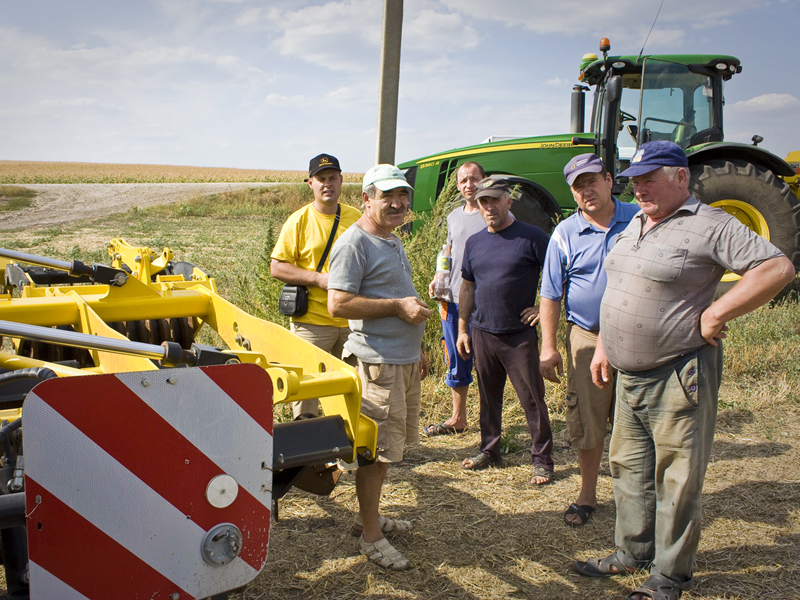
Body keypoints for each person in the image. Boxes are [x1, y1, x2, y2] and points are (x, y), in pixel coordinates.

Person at [574, 141, 794, 600]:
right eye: (635, 178)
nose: (640, 185)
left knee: (676, 475)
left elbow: (776, 267)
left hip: (678, 373)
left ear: (680, 177)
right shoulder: (637, 219)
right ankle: (632, 552)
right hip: (626, 374)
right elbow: (622, 286)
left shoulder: (711, 224)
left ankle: (669, 575)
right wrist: (604, 349)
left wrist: (717, 314)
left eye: (650, 176)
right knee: (628, 468)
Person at [328, 164, 432, 571]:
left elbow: (399, 295)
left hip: (401, 361)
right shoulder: (354, 243)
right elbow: (338, 304)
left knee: (388, 452)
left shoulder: (390, 239)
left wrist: (417, 347)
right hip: (376, 366)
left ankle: (366, 518)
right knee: (374, 454)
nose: (397, 203)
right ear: (365, 200)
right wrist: (396, 307)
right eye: (387, 196)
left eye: (402, 196)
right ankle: (371, 537)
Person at [539, 154, 640, 526]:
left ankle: (636, 497)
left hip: (637, 335)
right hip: (586, 334)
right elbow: (550, 294)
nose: (587, 190)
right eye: (578, 186)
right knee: (588, 416)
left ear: (609, 180)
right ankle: (587, 494)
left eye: (592, 181)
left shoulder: (640, 219)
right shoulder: (565, 232)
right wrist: (548, 347)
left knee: (637, 419)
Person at [456, 177, 554, 485]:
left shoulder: (532, 237)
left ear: (508, 201)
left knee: (532, 399)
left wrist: (542, 308)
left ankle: (542, 459)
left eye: (494, 200)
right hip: (482, 332)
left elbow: (556, 277)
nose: (488, 207)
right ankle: (490, 450)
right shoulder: (474, 242)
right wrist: (462, 328)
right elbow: (467, 288)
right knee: (488, 397)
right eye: (483, 202)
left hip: (518, 336)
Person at [270, 153, 361, 419]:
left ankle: (347, 451)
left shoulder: (356, 218)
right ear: (310, 183)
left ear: (342, 180)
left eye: (332, 178)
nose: (327, 184)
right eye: (321, 179)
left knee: (352, 388)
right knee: (306, 390)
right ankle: (305, 451)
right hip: (311, 323)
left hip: (351, 322)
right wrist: (317, 279)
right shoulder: (298, 221)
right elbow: (277, 267)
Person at [424, 161, 486, 436]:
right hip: (453, 299)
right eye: (463, 181)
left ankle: (489, 421)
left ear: (483, 180)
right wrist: (438, 277)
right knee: (456, 357)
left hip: (484, 300)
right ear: (457, 185)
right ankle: (458, 418)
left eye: (474, 179)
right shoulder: (452, 216)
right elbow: (447, 251)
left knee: (486, 360)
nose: (469, 186)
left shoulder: (491, 213)